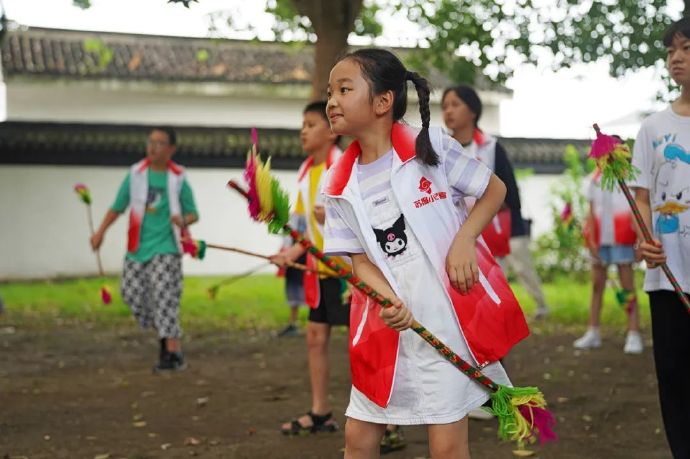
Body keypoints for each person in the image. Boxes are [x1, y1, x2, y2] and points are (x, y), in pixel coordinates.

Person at [323, 48, 528, 459]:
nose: (331, 101)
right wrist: (388, 298)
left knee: (447, 444)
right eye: (330, 92)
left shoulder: (429, 146)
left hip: (443, 319)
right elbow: (359, 260)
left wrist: (465, 240)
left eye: (344, 90)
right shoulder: (336, 183)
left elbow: (494, 190)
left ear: (383, 102)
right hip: (386, 326)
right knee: (359, 437)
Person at [271, 101, 350, 435]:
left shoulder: (345, 165)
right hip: (319, 272)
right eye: (302, 124)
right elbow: (304, 230)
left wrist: (333, 216)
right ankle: (321, 412)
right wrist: (290, 252)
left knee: (367, 344)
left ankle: (388, 421)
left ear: (332, 132)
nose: (303, 131)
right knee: (315, 337)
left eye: (311, 124)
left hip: (350, 273)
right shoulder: (305, 172)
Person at [91, 127, 198, 372]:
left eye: (160, 143)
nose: (153, 147)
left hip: (166, 247)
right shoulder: (136, 175)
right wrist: (100, 232)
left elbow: (193, 213)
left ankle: (170, 351)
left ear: (171, 149)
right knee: (131, 294)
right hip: (137, 247)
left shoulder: (178, 178)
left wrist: (183, 221)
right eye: (151, 142)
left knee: (164, 298)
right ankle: (169, 337)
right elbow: (118, 207)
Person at [631, 17, 690, 459]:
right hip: (668, 276)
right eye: (671, 51)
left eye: (686, 49)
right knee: (675, 376)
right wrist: (646, 241)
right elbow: (643, 198)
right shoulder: (653, 128)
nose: (676, 58)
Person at [441, 85, 550, 320]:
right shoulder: (441, 149)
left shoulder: (490, 146)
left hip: (499, 220)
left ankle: (540, 306)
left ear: (473, 111)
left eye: (455, 105)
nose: (448, 111)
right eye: (445, 106)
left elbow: (506, 185)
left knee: (520, 265)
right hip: (461, 225)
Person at [574, 166, 643, 354]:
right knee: (597, 286)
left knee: (627, 286)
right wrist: (591, 239)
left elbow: (637, 209)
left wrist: (640, 239)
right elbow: (590, 210)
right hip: (599, 240)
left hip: (623, 238)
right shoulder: (594, 179)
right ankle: (593, 331)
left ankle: (634, 332)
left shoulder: (628, 178)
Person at [276, 214, 307, 338]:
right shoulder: (292, 217)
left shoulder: (305, 216)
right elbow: (287, 240)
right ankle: (292, 323)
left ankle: (312, 324)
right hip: (292, 263)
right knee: (293, 294)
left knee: (309, 292)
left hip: (304, 262)